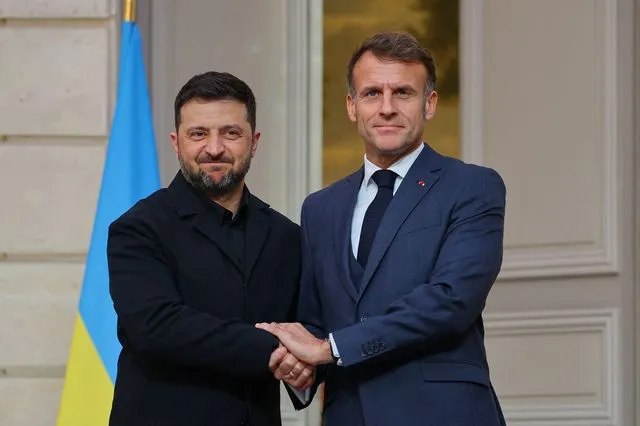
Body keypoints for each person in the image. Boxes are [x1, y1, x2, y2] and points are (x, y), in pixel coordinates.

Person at [258, 32, 507, 426]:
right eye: (372, 93)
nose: (387, 108)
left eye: (403, 93)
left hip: (443, 414)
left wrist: (330, 348)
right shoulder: (320, 209)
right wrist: (300, 366)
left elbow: (451, 300)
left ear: (429, 103)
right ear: (352, 106)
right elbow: (316, 321)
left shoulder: (472, 187)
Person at [107, 71, 311, 426]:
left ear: (254, 141)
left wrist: (308, 363)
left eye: (231, 133)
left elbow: (307, 329)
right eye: (198, 134)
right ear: (176, 143)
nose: (214, 148)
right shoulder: (138, 229)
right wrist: (273, 350)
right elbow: (157, 325)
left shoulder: (286, 236)